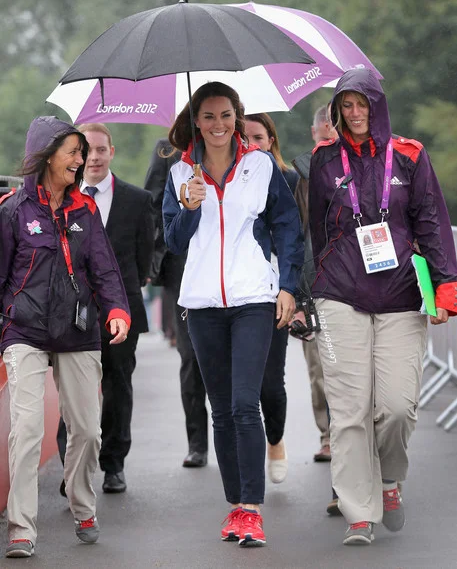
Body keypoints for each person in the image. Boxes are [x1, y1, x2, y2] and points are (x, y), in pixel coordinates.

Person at [309, 68, 457, 546]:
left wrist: (447, 286)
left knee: (395, 407)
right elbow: (317, 231)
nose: (354, 114)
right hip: (340, 296)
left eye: (362, 104)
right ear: (335, 109)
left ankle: (390, 479)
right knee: (350, 410)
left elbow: (432, 221)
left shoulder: (410, 155)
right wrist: (309, 289)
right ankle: (358, 510)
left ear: (378, 104)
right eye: (345, 105)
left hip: (400, 296)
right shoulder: (324, 161)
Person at [163, 82, 303, 546]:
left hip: (253, 300)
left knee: (246, 403)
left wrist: (288, 288)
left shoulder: (260, 165)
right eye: (208, 116)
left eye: (226, 115)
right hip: (202, 303)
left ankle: (252, 509)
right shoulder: (180, 171)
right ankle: (234, 506)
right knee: (220, 409)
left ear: (238, 117)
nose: (218, 125)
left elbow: (287, 226)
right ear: (196, 121)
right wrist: (187, 207)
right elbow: (175, 243)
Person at [0, 116, 130, 557]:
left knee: (89, 430)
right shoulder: (14, 211)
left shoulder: (85, 210)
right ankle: (21, 527)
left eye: (83, 152)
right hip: (25, 330)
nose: (82, 159)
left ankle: (82, 505)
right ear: (47, 155)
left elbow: (104, 266)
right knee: (28, 429)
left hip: (78, 330)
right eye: (73, 152)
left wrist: (116, 309)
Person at [57, 123, 154, 495]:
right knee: (72, 392)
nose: (93, 158)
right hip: (71, 312)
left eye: (100, 149)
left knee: (117, 387)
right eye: (86, 151)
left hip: (121, 311)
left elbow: (144, 260)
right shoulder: (60, 198)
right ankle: (73, 468)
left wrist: (124, 296)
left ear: (111, 151)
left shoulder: (136, 200)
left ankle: (114, 464)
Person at [144, 139, 209, 468]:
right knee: (190, 359)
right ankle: (197, 442)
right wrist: (152, 263)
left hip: (229, 270)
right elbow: (152, 208)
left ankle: (236, 435)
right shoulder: (167, 151)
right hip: (182, 271)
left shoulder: (238, 147)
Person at [293, 104, 342, 517]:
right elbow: (295, 237)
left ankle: (359, 476)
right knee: (320, 374)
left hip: (362, 291)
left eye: (334, 123)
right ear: (313, 132)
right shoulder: (302, 177)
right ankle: (328, 437)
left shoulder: (364, 170)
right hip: (317, 289)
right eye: (322, 124)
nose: (327, 129)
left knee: (358, 392)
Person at [244, 113, 298, 484]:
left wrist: (296, 292)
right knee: (239, 387)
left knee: (269, 383)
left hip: (275, 289)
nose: (252, 145)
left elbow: (298, 237)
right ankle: (243, 465)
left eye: (259, 137)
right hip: (235, 290)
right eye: (244, 138)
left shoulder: (290, 179)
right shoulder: (223, 179)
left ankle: (275, 440)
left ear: (271, 140)